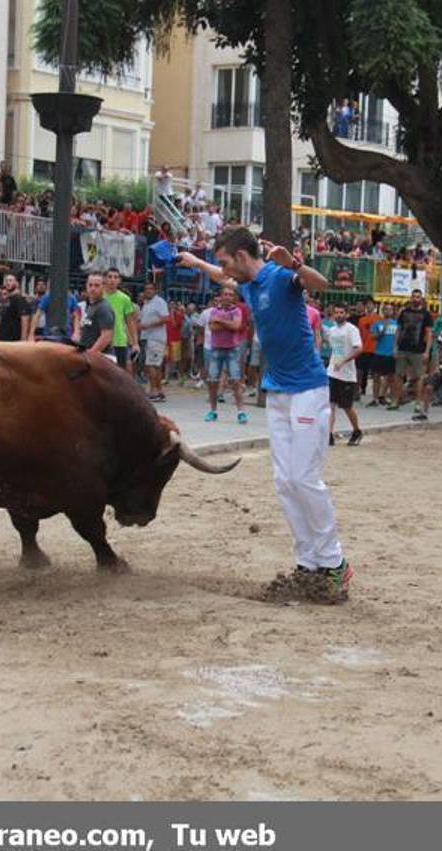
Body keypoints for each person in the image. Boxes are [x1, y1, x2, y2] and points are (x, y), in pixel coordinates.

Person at [179, 228, 353, 598]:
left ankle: (335, 562)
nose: (225, 271)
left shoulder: (278, 276)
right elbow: (219, 275)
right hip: (277, 391)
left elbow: (319, 284)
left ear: (242, 256)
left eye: (227, 261)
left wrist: (293, 262)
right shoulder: (250, 285)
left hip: (308, 388)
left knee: (304, 477)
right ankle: (308, 562)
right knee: (284, 481)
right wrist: (196, 262)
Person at [204, 289, 247, 424]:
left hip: (232, 349)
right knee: (212, 381)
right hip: (216, 348)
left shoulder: (236, 311)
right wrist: (226, 323)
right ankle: (213, 411)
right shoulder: (214, 311)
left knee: (235, 381)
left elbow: (236, 326)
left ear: (234, 298)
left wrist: (219, 321)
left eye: (231, 295)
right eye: (225, 294)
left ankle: (241, 411)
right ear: (221, 296)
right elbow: (212, 327)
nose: (228, 297)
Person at [326, 303, 363, 446]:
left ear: (347, 314)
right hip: (332, 371)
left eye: (341, 312)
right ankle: (329, 434)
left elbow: (359, 348)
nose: (339, 315)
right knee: (330, 404)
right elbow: (332, 348)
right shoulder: (332, 330)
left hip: (347, 374)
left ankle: (357, 430)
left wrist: (344, 360)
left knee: (347, 406)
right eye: (336, 312)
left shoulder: (352, 330)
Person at [390, 289, 432, 410]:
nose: (415, 299)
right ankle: (395, 401)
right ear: (411, 298)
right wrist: (394, 346)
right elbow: (398, 330)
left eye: (418, 297)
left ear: (421, 299)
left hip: (418, 349)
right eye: (414, 296)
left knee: (419, 377)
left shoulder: (426, 314)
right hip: (403, 348)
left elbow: (429, 334)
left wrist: (427, 351)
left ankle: (418, 402)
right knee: (398, 375)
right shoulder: (404, 313)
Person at [138, 281, 169, 402]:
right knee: (153, 365)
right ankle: (159, 391)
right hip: (148, 338)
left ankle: (154, 390)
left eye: (150, 289)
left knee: (152, 365)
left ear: (155, 290)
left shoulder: (159, 302)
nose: (148, 291)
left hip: (156, 338)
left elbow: (165, 318)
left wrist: (147, 325)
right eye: (146, 289)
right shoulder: (147, 303)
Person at [104, 267, 138, 370]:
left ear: (119, 280)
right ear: (104, 279)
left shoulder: (125, 299)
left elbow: (130, 321)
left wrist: (135, 343)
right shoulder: (99, 296)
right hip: (102, 340)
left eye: (115, 277)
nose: (112, 280)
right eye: (109, 277)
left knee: (119, 373)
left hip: (119, 341)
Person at [75, 273, 114, 360]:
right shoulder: (91, 306)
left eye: (97, 286)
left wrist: (89, 355)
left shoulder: (104, 308)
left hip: (102, 358)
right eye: (90, 285)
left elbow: (106, 337)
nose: (93, 288)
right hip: (93, 357)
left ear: (103, 287)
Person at [367, 303, 398, 407]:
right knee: (376, 376)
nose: (388, 312)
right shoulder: (377, 324)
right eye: (386, 310)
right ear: (382, 311)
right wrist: (382, 331)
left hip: (391, 354)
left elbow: (399, 339)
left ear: (393, 312)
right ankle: (375, 398)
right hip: (379, 352)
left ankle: (386, 397)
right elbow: (373, 337)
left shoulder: (397, 324)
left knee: (391, 378)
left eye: (390, 310)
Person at [0, 274, 35, 343]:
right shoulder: (7, 299)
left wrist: (23, 339)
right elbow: (2, 320)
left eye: (10, 280)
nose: (8, 283)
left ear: (16, 283)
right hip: (2, 339)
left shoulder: (20, 299)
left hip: (14, 340)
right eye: (6, 281)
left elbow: (25, 319)